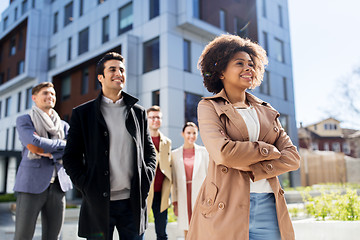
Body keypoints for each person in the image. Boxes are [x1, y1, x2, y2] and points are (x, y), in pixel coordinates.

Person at [186, 34, 301, 240]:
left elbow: (292, 158)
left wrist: (254, 167)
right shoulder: (209, 106)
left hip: (268, 204)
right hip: (225, 205)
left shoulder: (267, 111)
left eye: (251, 64)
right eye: (239, 63)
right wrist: (268, 151)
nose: (248, 68)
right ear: (221, 71)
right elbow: (224, 153)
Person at [63, 52, 156, 240]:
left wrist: (146, 177)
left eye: (122, 70)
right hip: (98, 204)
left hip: (133, 204)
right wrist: (86, 185)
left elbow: (149, 152)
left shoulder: (138, 113)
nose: (118, 73)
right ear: (100, 77)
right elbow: (70, 157)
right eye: (112, 69)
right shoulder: (83, 114)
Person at [13, 82, 73, 240]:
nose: (50, 97)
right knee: (23, 235)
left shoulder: (64, 126)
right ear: (34, 98)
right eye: (45, 93)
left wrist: (51, 153)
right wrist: (62, 146)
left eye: (52, 94)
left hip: (58, 186)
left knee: (53, 237)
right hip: (31, 185)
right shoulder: (25, 120)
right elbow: (34, 145)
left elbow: (74, 150)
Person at [171, 122, 209, 239]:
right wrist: (175, 201)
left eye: (194, 133)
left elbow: (209, 175)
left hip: (200, 195)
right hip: (183, 195)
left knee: (201, 226)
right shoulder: (174, 154)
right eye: (188, 133)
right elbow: (174, 181)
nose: (191, 136)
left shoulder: (204, 152)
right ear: (183, 134)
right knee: (186, 226)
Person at [146, 105, 172, 240]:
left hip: (161, 194)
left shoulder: (167, 142)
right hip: (144, 193)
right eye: (152, 117)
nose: (155, 120)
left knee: (162, 233)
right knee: (138, 232)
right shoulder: (140, 141)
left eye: (158, 117)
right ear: (147, 119)